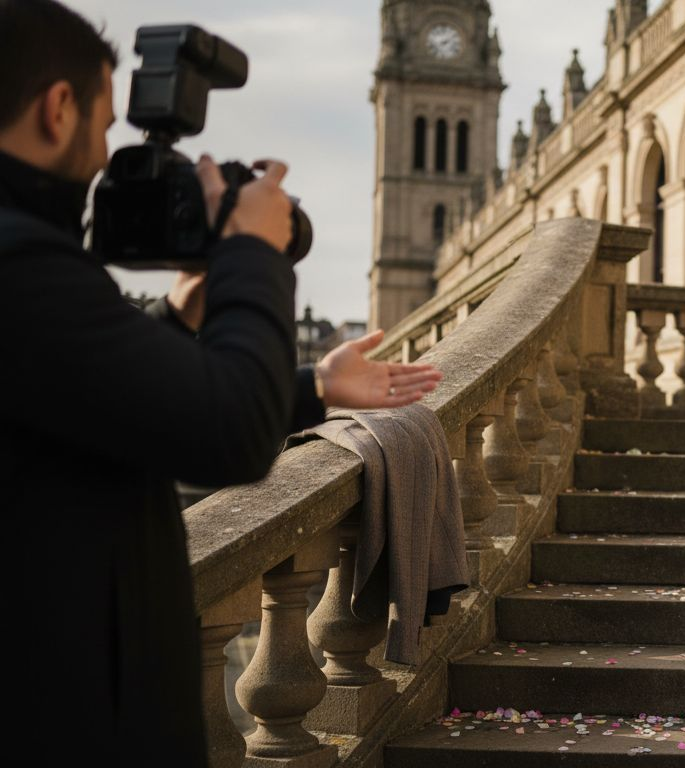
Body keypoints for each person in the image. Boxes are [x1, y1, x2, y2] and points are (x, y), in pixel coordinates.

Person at [0, 1, 439, 763]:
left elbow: (100, 398)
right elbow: (229, 438)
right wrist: (253, 256)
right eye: (107, 127)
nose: (109, 156)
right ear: (58, 108)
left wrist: (297, 380)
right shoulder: (21, 264)